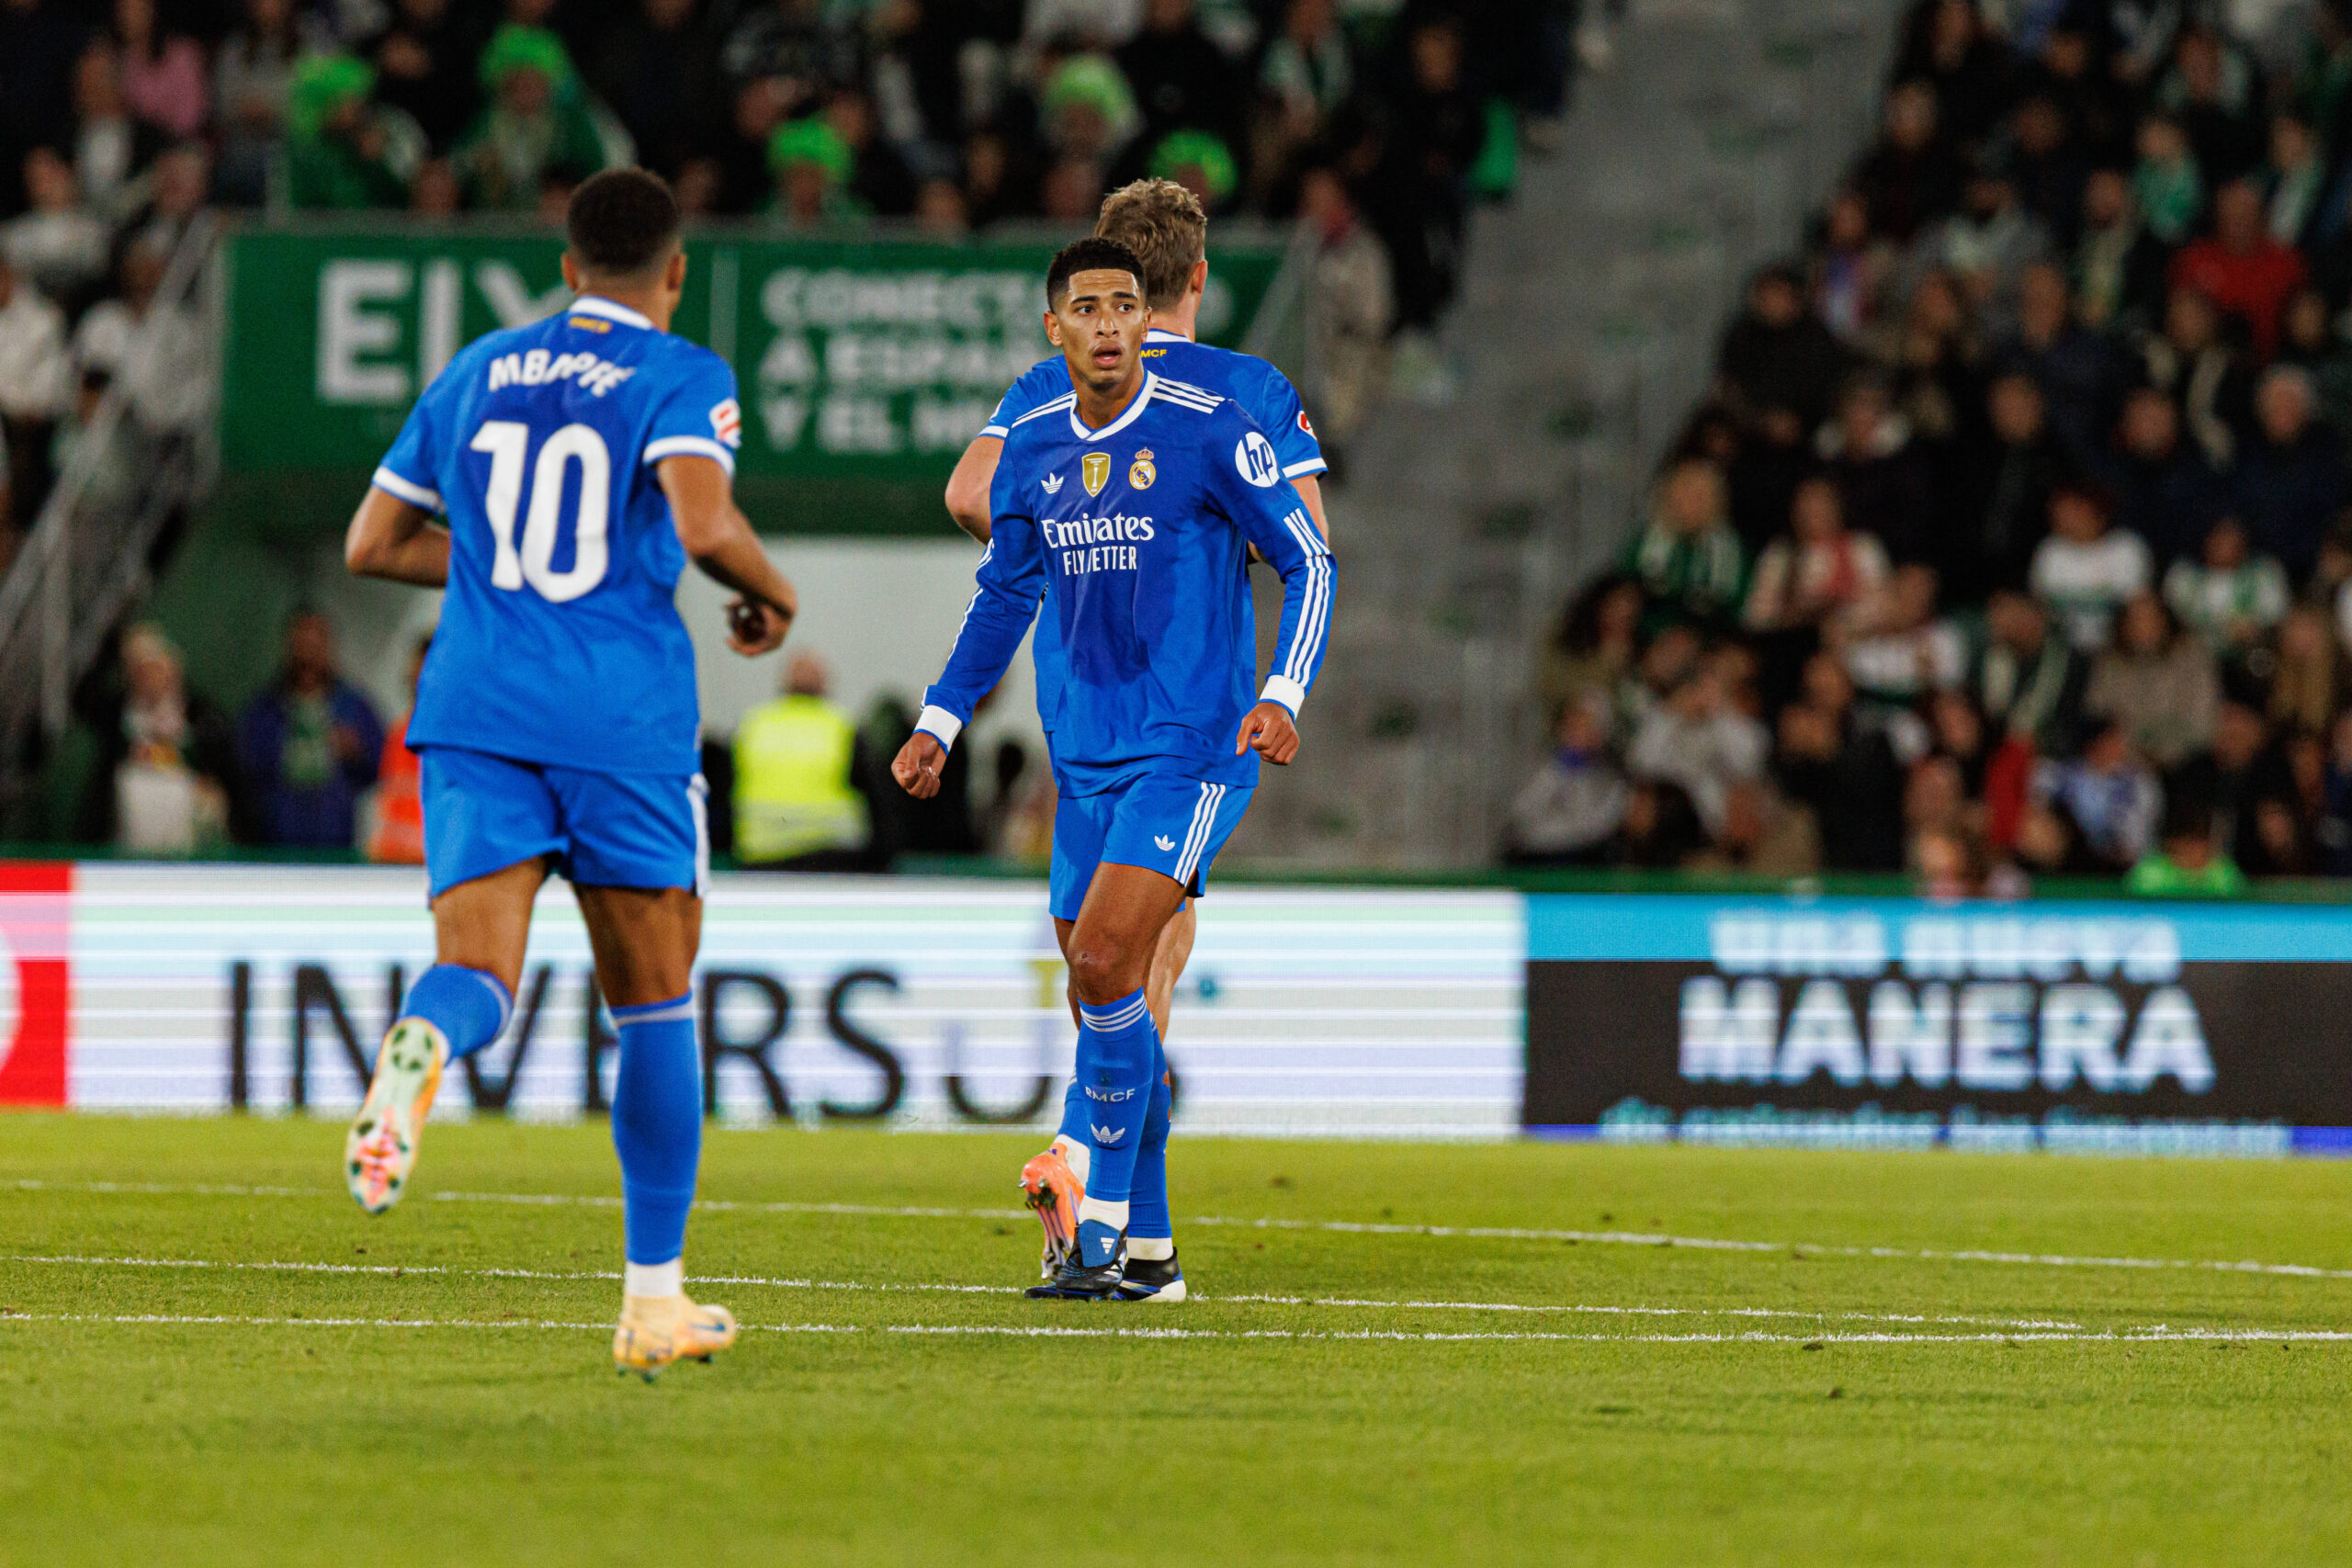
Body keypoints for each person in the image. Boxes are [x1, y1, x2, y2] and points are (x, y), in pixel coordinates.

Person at [339, 169, 799, 1376]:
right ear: (677, 269)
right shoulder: (683, 375)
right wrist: (772, 587)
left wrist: (497, 569)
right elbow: (702, 527)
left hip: (479, 705)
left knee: (473, 970)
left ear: (566, 264)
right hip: (620, 718)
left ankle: (420, 1048)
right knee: (653, 1000)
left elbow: (372, 543)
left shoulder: (479, 365)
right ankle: (654, 1300)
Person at [893, 236, 1332, 1303]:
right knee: (1109, 997)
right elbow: (1002, 594)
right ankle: (1150, 1258)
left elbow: (1309, 556)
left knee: (1101, 966)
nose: (1103, 324)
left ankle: (1085, 1199)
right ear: (1055, 330)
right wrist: (941, 722)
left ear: (1148, 322)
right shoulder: (1036, 444)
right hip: (1081, 752)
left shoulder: (1213, 431)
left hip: (1189, 751)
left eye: (1122, 306)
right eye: (1083, 308)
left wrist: (1282, 692)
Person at [236, 608, 386, 849]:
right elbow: (245, 766)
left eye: (315, 646)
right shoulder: (266, 708)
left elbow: (381, 762)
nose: (308, 655)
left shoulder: (353, 705)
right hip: (276, 841)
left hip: (335, 840)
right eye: (301, 645)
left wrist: (356, 751)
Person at [731, 648, 870, 867]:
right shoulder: (842, 726)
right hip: (829, 856)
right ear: (825, 684)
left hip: (761, 856)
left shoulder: (753, 724)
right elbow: (877, 797)